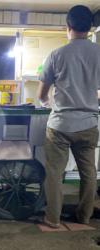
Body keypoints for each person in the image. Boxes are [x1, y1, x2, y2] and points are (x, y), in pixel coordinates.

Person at [37, 5, 100, 228]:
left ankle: (52, 219)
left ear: (68, 27)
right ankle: (84, 217)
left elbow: (42, 94)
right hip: (88, 124)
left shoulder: (57, 54)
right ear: (90, 28)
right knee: (89, 173)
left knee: (54, 173)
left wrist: (47, 102)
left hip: (60, 125)